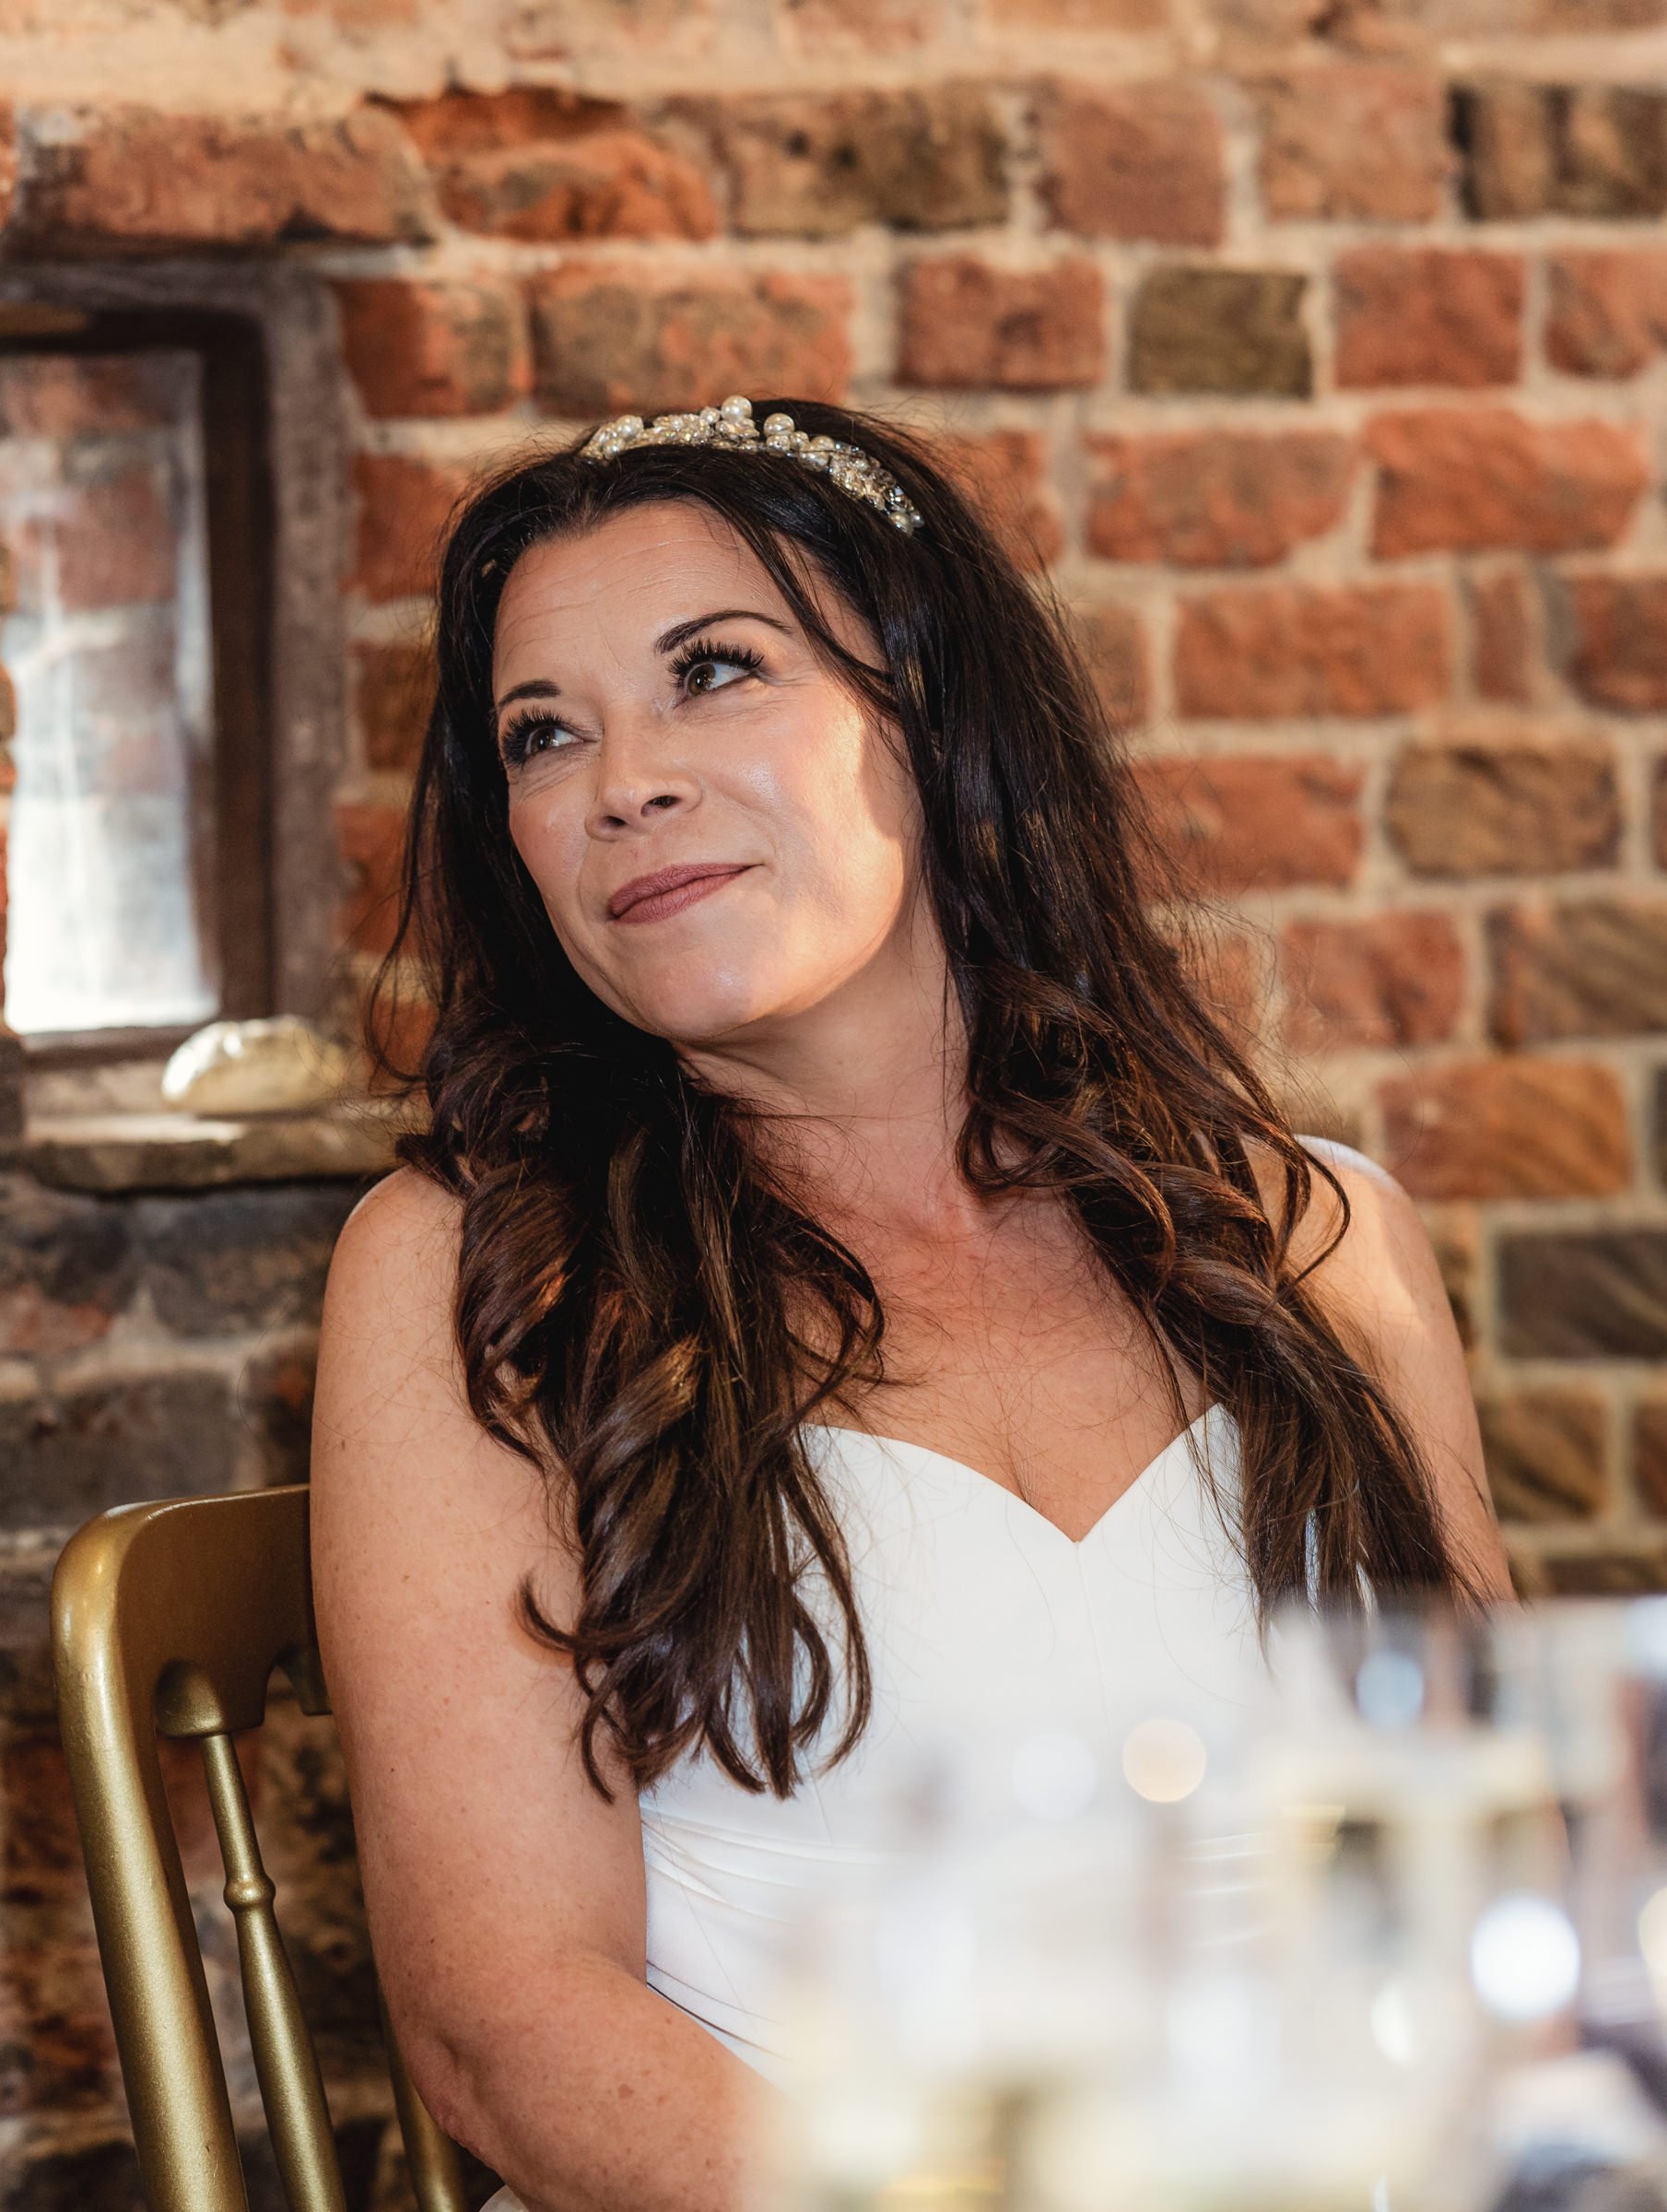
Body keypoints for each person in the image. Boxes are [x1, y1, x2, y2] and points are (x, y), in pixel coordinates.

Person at [309, 394, 1511, 2212]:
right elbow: (506, 2020)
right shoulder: (481, 1271)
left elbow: (1482, 1882)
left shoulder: (1324, 1245)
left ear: (934, 716)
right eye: (543, 735)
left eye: (713, 672)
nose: (620, 777)